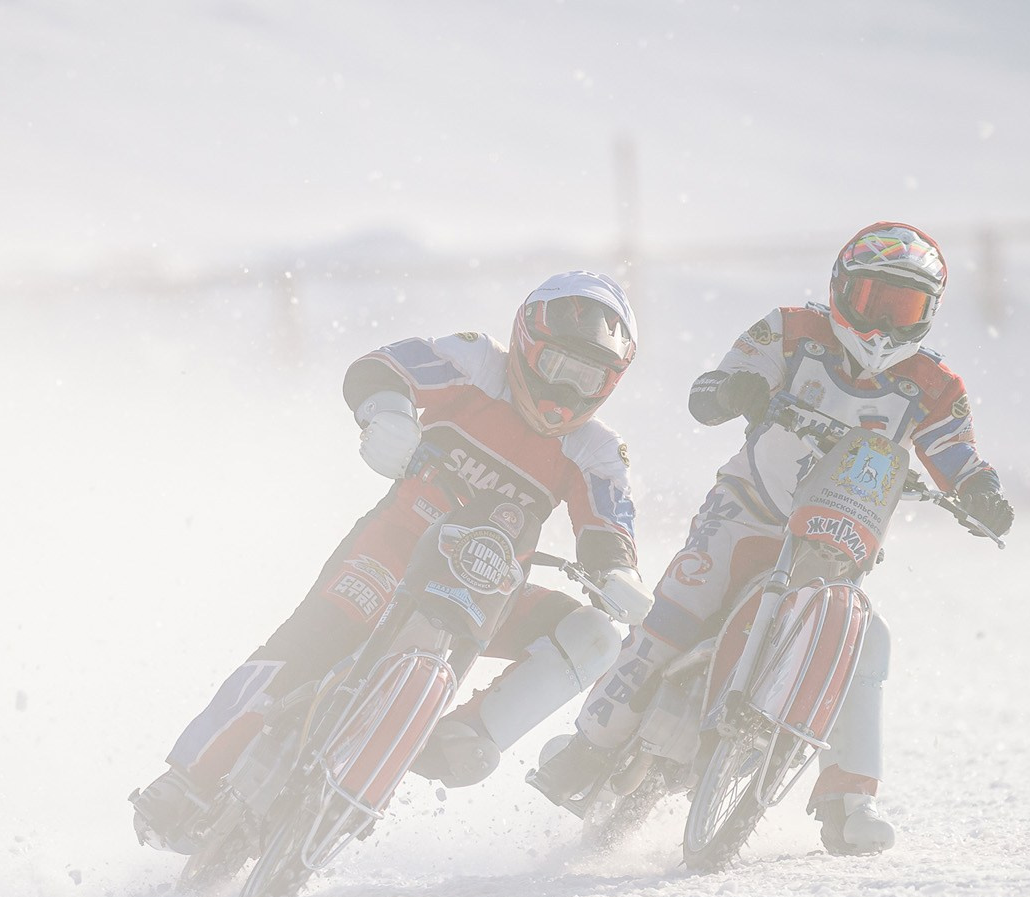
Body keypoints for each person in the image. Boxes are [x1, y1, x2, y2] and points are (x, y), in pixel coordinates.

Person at [131, 271, 655, 853]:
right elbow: (381, 368)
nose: (563, 391)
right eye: (556, 365)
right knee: (306, 645)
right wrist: (388, 415)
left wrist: (617, 575)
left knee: (594, 636)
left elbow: (608, 526)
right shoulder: (475, 362)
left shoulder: (597, 450)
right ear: (527, 345)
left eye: (586, 377)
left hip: (487, 591)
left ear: (609, 384)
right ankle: (185, 778)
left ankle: (464, 735)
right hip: (393, 550)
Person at [532, 222, 1014, 854]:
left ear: (929, 315)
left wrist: (980, 491)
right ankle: (589, 745)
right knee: (676, 612)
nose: (882, 328)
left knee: (867, 639)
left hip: (839, 541)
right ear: (841, 289)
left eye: (903, 309)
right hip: (747, 511)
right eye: (874, 302)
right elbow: (711, 389)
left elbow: (957, 454)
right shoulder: (790, 330)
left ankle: (850, 800)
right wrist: (737, 390)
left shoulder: (934, 384)